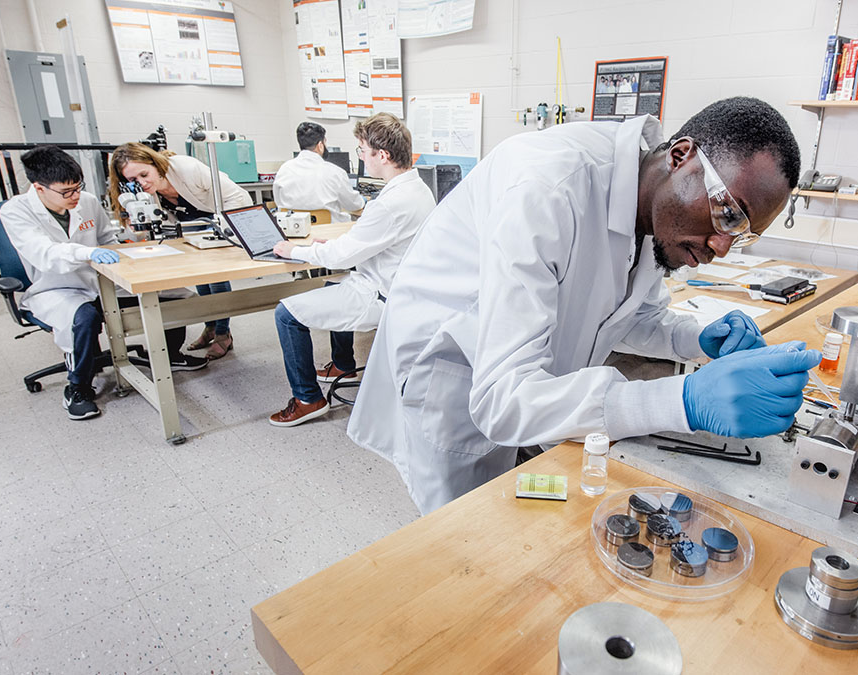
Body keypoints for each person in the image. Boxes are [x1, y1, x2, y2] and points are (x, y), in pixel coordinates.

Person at [348, 97, 822, 514]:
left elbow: (627, 314)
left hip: (521, 372)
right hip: (454, 372)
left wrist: (695, 337)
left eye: (742, 232)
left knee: (513, 512)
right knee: (465, 535)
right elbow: (503, 399)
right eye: (728, 212)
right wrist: (682, 401)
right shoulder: (548, 188)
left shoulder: (656, 209)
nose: (722, 245)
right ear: (682, 156)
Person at [1, 146, 207, 420]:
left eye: (78, 187)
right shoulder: (15, 211)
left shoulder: (86, 201)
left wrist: (133, 243)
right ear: (39, 188)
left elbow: (107, 239)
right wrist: (88, 252)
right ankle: (78, 388)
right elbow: (45, 254)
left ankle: (169, 355)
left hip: (101, 280)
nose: (75, 196)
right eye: (66, 192)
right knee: (83, 318)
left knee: (177, 295)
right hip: (58, 287)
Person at [267, 113, 436, 427]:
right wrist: (333, 244)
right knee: (334, 286)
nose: (361, 157)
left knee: (285, 315)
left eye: (362, 151)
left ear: (381, 155)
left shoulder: (390, 202)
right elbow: (369, 240)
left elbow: (343, 257)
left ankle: (308, 399)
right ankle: (342, 364)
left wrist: (297, 250)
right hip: (398, 286)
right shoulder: (418, 189)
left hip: (381, 294)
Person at [107, 142, 253, 360]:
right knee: (200, 277)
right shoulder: (146, 192)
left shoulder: (186, 168)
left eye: (144, 174)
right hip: (190, 225)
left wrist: (223, 228)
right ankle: (210, 327)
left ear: (155, 164)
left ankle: (223, 334)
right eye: (133, 180)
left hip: (222, 217)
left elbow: (236, 197)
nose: (142, 183)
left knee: (216, 277)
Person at [273, 121, 365, 223]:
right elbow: (353, 205)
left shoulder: (284, 169)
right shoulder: (335, 172)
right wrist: (362, 200)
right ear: (320, 145)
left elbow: (279, 203)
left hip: (294, 233)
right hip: (330, 233)